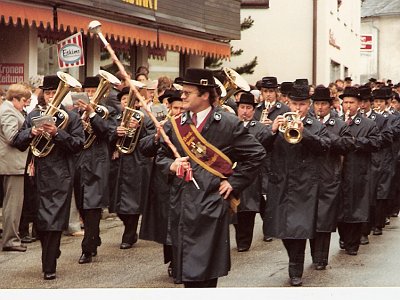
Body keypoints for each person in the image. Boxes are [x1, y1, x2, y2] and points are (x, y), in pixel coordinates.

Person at [156, 68, 266, 288]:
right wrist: (172, 165)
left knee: (206, 273)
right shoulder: (176, 123)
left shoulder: (227, 123)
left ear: (205, 95)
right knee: (187, 272)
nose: (182, 96)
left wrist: (234, 183)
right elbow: (160, 155)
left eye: (188, 92)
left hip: (211, 202)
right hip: (182, 203)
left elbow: (256, 154)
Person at [13, 74, 85, 280]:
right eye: (48, 93)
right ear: (43, 94)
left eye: (54, 93)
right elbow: (18, 141)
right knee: (41, 222)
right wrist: (31, 133)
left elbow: (78, 144)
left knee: (52, 222)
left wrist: (56, 133)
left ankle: (49, 266)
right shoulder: (32, 115)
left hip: (60, 174)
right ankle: (51, 252)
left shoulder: (70, 117)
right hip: (37, 175)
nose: (51, 96)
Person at [264, 83, 330, 287]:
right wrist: (272, 131)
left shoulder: (315, 125)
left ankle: (295, 269)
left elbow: (325, 147)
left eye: (302, 105)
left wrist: (305, 134)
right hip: (281, 182)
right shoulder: (279, 121)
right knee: (283, 229)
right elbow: (258, 148)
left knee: (299, 229)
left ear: (308, 104)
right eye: (294, 104)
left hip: (304, 185)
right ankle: (294, 261)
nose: (297, 109)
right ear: (287, 103)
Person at [74, 76, 118, 264]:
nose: (91, 95)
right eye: (88, 92)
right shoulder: (74, 113)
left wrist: (92, 115)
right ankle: (94, 236)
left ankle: (87, 249)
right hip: (79, 162)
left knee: (92, 204)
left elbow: (108, 133)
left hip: (97, 162)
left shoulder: (108, 111)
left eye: (94, 91)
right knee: (82, 204)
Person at [139, 89, 183, 283]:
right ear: (169, 108)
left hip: (186, 183)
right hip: (165, 181)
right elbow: (145, 148)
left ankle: (181, 264)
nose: (179, 111)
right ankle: (174, 262)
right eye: (175, 108)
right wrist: (157, 135)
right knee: (168, 224)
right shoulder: (163, 124)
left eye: (182, 108)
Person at [310, 86, 354, 270]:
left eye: (323, 104)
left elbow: (347, 145)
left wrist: (323, 134)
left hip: (329, 176)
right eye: (317, 104)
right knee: (311, 219)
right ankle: (314, 256)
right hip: (309, 178)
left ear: (330, 105)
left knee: (324, 219)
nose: (319, 108)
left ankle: (321, 258)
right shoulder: (307, 123)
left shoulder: (340, 124)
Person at [337, 86, 380, 256]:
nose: (348, 106)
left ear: (359, 104)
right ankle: (344, 236)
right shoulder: (337, 120)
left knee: (356, 207)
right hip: (338, 170)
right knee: (340, 207)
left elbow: (376, 143)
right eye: (345, 102)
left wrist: (354, 142)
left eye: (351, 102)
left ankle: (353, 242)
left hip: (358, 169)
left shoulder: (368, 124)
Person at [113, 87, 155, 250]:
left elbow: (151, 140)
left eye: (130, 100)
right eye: (124, 100)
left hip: (137, 163)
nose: (127, 102)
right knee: (118, 205)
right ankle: (129, 230)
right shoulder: (117, 118)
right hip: (119, 164)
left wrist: (140, 127)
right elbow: (108, 137)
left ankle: (129, 235)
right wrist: (116, 133)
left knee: (132, 203)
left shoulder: (146, 118)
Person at [233, 91, 271, 252]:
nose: (245, 111)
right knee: (234, 207)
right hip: (233, 171)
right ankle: (240, 238)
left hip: (251, 173)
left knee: (248, 207)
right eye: (242, 107)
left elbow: (264, 146)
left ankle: (244, 241)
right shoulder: (230, 124)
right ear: (237, 109)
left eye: (248, 108)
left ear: (253, 110)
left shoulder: (260, 128)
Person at [0, 83, 31, 252]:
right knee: (13, 204)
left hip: (10, 163)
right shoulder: (8, 111)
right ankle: (10, 240)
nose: (26, 104)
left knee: (12, 203)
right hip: (12, 164)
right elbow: (12, 137)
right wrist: (31, 132)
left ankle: (11, 238)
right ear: (15, 99)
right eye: (24, 100)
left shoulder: (8, 110)